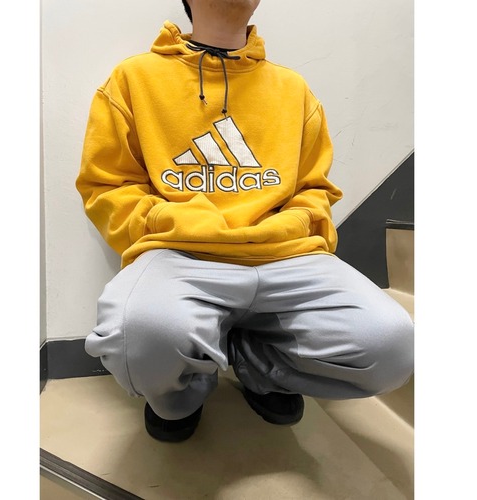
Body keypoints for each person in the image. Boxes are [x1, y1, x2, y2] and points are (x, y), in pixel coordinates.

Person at [76, 0, 414, 443]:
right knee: (135, 337)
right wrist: (162, 219)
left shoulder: (293, 89)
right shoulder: (132, 79)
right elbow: (107, 185)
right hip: (181, 254)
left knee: (392, 347)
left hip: (288, 257)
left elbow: (314, 187)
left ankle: (257, 367)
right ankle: (183, 397)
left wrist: (297, 221)